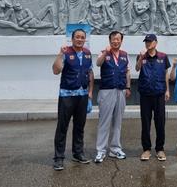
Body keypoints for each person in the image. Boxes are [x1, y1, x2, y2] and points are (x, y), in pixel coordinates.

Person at [52, 28, 94, 171]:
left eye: (82, 37)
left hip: (82, 96)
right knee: (62, 127)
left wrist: (90, 93)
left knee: (79, 126)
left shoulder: (88, 54)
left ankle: (78, 153)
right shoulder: (66, 52)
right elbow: (56, 70)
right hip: (67, 96)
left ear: (85, 39)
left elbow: (90, 73)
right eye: (77, 37)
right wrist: (59, 54)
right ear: (72, 38)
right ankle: (58, 158)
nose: (80, 39)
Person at [94, 31, 131, 163]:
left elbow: (127, 71)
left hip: (120, 91)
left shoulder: (125, 55)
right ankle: (101, 150)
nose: (116, 41)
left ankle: (115, 149)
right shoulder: (104, 52)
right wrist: (105, 52)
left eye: (118, 39)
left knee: (118, 121)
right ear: (109, 40)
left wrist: (128, 87)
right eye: (113, 39)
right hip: (107, 90)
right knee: (104, 121)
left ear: (121, 41)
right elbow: (98, 63)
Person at [135, 33, 170, 161]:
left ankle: (160, 149)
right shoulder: (141, 56)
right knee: (145, 122)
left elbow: (166, 74)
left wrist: (167, 90)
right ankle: (146, 149)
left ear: (155, 42)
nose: (148, 44)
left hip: (159, 93)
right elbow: (137, 68)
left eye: (150, 41)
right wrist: (140, 58)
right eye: (146, 42)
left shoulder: (163, 56)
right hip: (145, 94)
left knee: (160, 122)